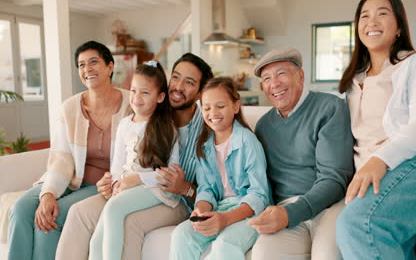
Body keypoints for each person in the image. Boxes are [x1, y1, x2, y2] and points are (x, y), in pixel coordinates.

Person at [335, 0, 416, 259]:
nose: (372, 21)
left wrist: (380, 159)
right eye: (365, 15)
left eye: (382, 14)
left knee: (357, 223)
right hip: (381, 178)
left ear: (399, 27)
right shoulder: (351, 81)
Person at [56, 53, 214, 260]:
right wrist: (111, 182)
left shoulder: (207, 129)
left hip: (175, 200)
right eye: (175, 77)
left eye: (189, 82)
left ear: (201, 92)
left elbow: (211, 190)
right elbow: (122, 161)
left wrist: (185, 187)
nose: (178, 86)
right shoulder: (143, 117)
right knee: (79, 212)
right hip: (131, 189)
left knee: (126, 220)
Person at [7, 40, 130, 260]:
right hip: (69, 178)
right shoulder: (70, 107)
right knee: (22, 208)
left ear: (110, 67)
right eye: (81, 65)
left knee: (53, 216)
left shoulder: (131, 103)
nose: (87, 69)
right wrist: (48, 193)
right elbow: (61, 158)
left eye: (94, 62)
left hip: (102, 185)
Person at [247, 47, 355, 260]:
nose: (274, 84)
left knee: (326, 256)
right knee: (263, 254)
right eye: (267, 78)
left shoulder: (330, 107)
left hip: (329, 206)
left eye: (281, 74)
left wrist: (291, 213)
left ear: (300, 75)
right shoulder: (263, 126)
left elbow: (335, 179)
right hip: (286, 209)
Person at [170, 77, 271, 260]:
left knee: (225, 245)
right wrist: (201, 209)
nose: (213, 113)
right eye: (207, 108)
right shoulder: (204, 145)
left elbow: (259, 195)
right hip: (219, 208)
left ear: (235, 106)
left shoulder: (248, 141)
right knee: (181, 234)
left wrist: (225, 220)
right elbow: (206, 189)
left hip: (248, 212)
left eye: (220, 106)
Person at [88, 61, 179, 260]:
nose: (137, 98)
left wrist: (136, 179)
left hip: (156, 190)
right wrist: (116, 184)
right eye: (133, 90)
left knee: (114, 208)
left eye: (145, 93)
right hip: (126, 186)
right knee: (96, 239)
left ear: (160, 97)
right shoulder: (123, 125)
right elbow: (117, 163)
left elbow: (170, 174)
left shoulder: (166, 128)